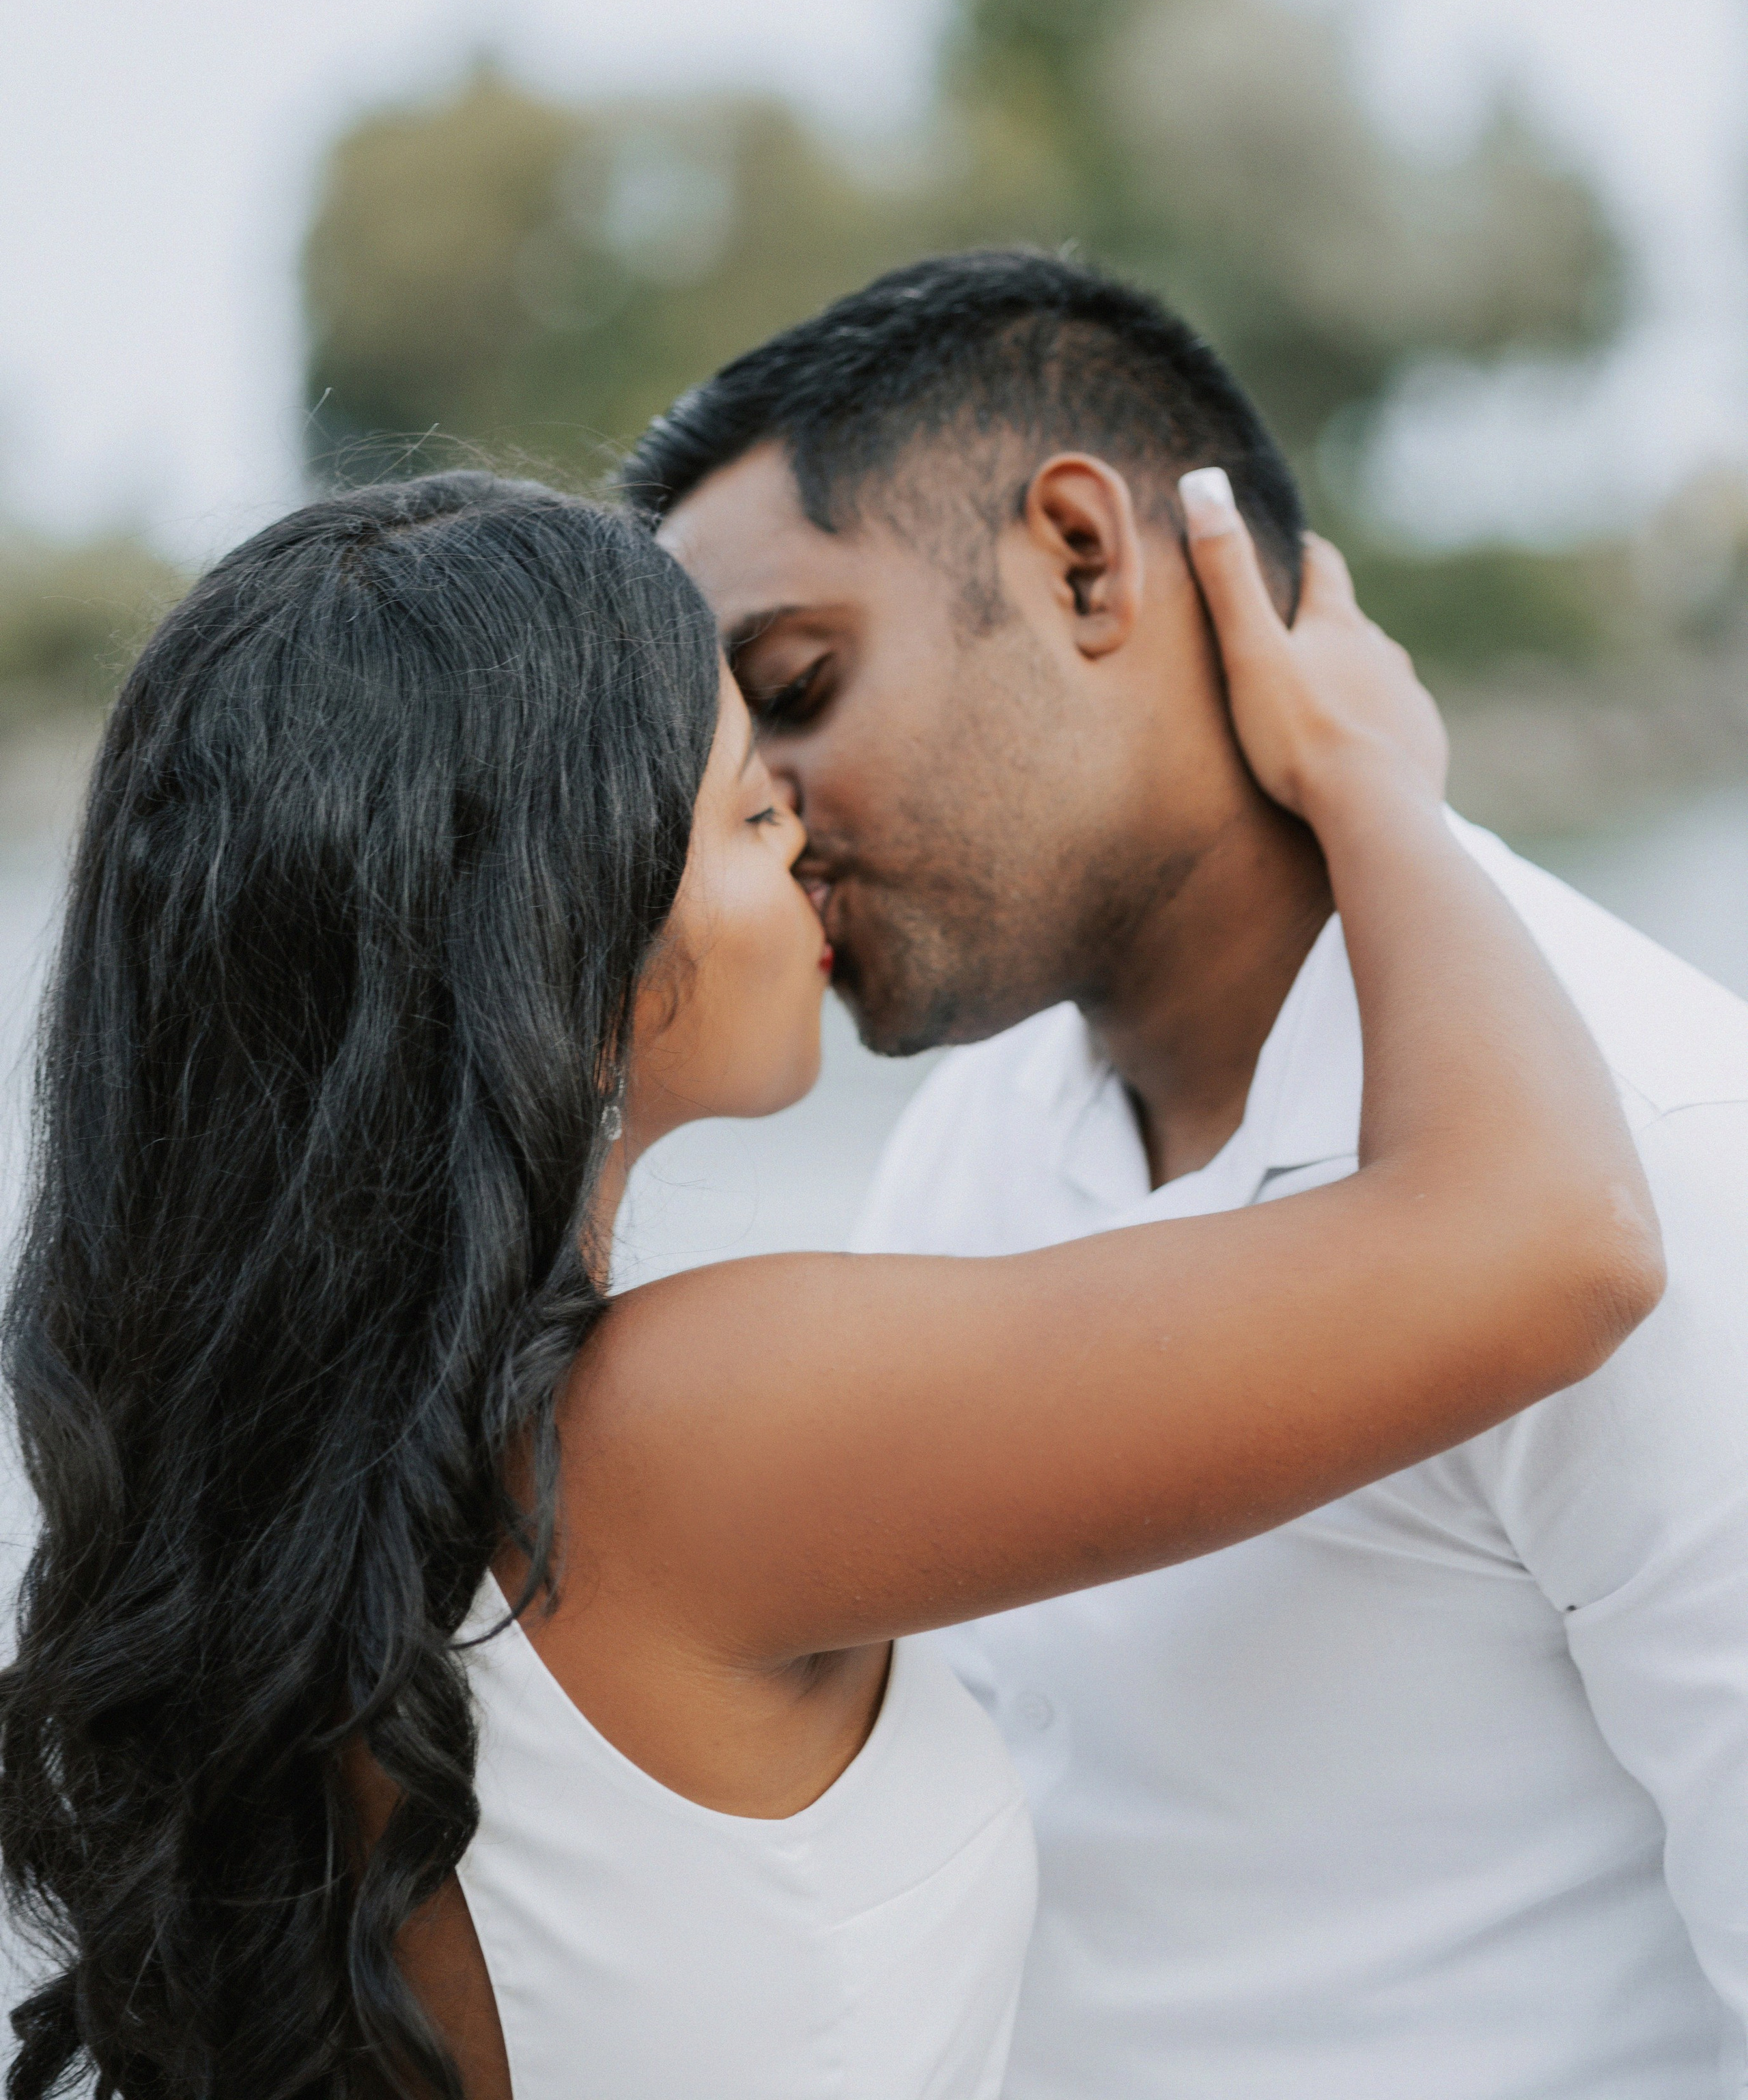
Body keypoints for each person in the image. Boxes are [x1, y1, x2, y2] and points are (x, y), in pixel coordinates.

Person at [0, 471, 1657, 2100]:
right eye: (744, 804)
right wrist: (1377, 779)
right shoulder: (675, 1429)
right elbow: (1553, 1237)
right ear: (553, 940)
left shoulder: (276, 1497)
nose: (804, 837)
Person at [628, 246, 1748, 2100]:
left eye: (799, 684)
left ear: (1084, 558)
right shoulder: (974, 1139)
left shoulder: (1661, 1139)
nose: (765, 818)